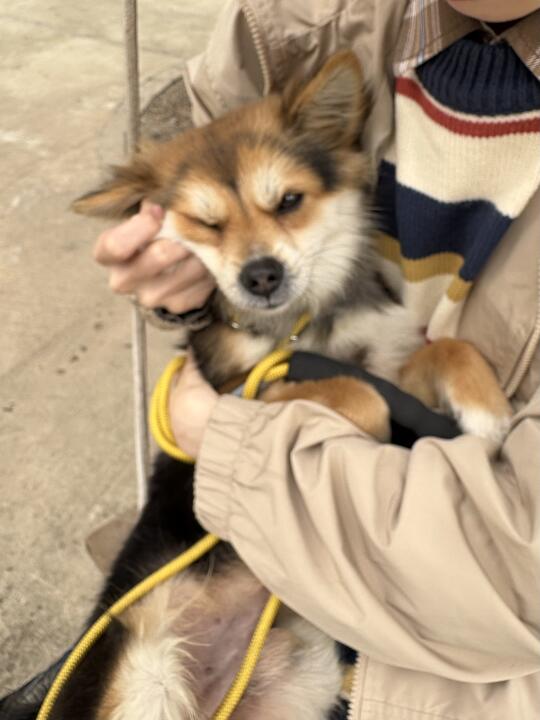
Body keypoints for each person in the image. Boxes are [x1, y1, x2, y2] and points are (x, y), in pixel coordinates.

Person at [93, 1, 540, 717]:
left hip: (433, 646)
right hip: (224, 581)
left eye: (286, 205)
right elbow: (187, 219)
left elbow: (519, 574)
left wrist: (227, 436)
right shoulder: (288, 21)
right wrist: (178, 286)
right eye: (217, 225)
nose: (256, 251)